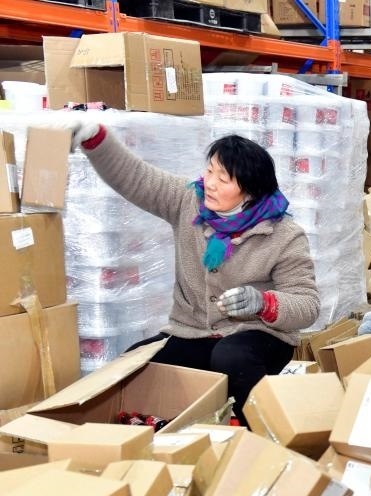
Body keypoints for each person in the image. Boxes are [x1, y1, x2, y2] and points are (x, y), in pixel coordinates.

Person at [67, 120, 320, 426]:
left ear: (251, 192)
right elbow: (135, 177)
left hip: (259, 335)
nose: (210, 183)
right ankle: (152, 431)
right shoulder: (189, 201)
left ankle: (262, 433)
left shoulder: (284, 235)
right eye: (209, 171)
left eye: (223, 179)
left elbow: (307, 305)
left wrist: (263, 303)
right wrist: (95, 138)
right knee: (135, 363)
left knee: (231, 358)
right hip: (194, 332)